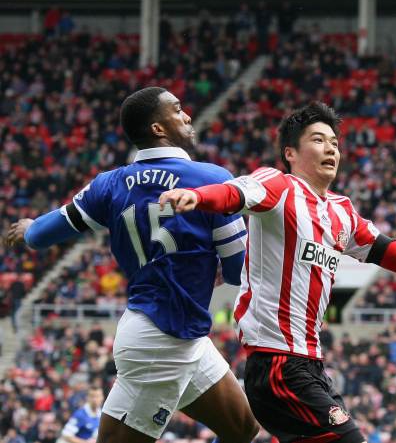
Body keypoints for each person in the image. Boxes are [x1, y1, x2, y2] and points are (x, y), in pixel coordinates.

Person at [159, 101, 396, 443]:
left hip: (311, 365)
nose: (331, 149)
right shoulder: (279, 185)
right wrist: (199, 197)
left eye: (335, 142)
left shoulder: (342, 213)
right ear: (291, 153)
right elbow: (233, 194)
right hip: (277, 365)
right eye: (318, 140)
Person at [7, 87, 259, 443]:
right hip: (161, 338)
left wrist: (29, 229)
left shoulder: (108, 184)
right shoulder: (212, 179)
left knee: (242, 428)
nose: (187, 116)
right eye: (178, 109)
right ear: (158, 127)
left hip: (182, 336)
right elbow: (237, 270)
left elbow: (46, 232)